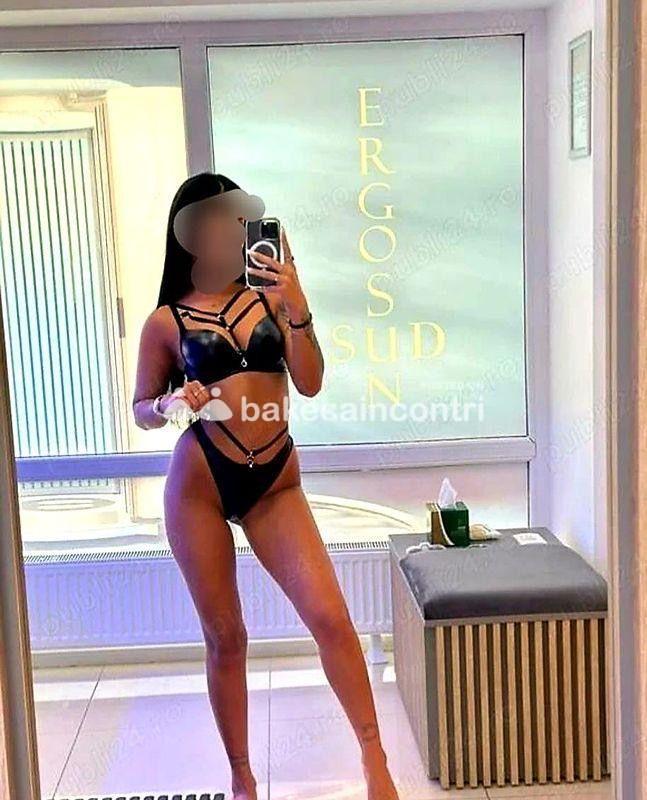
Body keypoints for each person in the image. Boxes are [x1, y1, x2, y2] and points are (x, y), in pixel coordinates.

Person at [132, 172, 400, 800]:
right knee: (227, 637)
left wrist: (297, 305)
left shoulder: (272, 295)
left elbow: (309, 382)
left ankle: (374, 756)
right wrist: (171, 402)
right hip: (200, 483)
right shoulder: (165, 321)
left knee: (330, 617)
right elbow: (141, 408)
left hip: (275, 479)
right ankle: (242, 776)